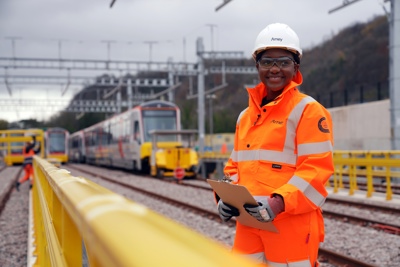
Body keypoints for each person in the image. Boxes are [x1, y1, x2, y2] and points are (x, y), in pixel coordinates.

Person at [216, 23, 334, 266]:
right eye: (268, 62)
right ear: (257, 66)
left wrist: (277, 202)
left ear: (296, 67)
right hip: (249, 225)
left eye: (283, 62)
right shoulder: (245, 117)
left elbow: (316, 170)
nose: (275, 69)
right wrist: (222, 196)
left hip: (291, 224)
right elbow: (233, 168)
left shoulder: (308, 111)